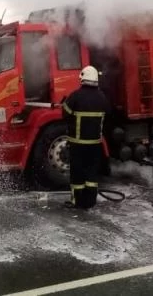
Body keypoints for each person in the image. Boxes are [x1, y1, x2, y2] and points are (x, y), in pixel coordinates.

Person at [62, 65, 110, 210]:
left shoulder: (75, 95)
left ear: (83, 78)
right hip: (95, 144)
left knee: (77, 173)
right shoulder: (102, 97)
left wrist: (64, 104)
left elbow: (65, 114)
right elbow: (109, 114)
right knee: (91, 173)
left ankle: (77, 201)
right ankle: (90, 202)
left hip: (77, 144)